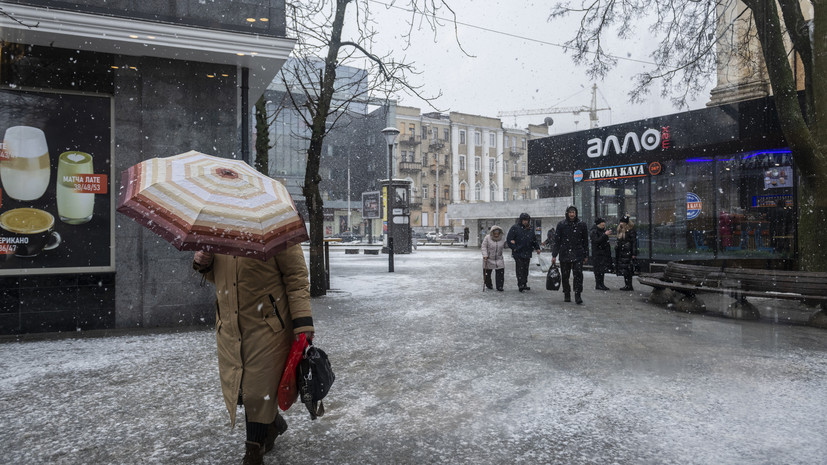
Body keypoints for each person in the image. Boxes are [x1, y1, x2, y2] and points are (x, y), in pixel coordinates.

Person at [193, 245, 315, 465]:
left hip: (268, 327)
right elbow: (222, 277)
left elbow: (296, 276)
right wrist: (205, 263)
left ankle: (253, 453)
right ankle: (271, 424)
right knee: (240, 387)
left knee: (257, 391)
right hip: (231, 326)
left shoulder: (276, 225)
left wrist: (302, 322)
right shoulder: (219, 229)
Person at [551, 206, 589, 304]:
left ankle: (578, 294)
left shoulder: (581, 225)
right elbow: (557, 241)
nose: (572, 214)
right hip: (565, 253)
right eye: (570, 212)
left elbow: (585, 241)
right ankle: (567, 293)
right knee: (565, 275)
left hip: (578, 253)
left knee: (578, 275)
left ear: (576, 213)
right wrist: (554, 255)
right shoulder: (561, 225)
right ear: (567, 213)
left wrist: (586, 255)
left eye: (573, 212)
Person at [506, 212, 541, 292]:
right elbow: (509, 239)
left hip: (527, 252)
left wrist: (537, 248)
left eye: (527, 220)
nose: (525, 222)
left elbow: (534, 240)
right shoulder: (515, 228)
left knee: (525, 269)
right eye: (524, 220)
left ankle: (524, 283)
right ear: (521, 220)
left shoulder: (530, 229)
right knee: (520, 269)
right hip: (518, 252)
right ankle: (520, 284)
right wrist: (514, 248)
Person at [615, 215, 638, 291]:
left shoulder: (630, 230)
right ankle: (627, 285)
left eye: (622, 222)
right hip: (623, 252)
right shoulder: (621, 230)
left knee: (628, 269)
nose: (621, 223)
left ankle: (629, 285)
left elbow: (634, 242)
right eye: (620, 222)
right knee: (625, 269)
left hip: (627, 252)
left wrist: (634, 253)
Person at [589, 218, 612, 291]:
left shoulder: (602, 231)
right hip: (597, 254)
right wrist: (605, 235)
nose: (604, 224)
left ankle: (601, 284)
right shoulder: (594, 231)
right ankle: (598, 284)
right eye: (602, 223)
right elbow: (596, 241)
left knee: (602, 270)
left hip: (603, 254)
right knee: (598, 270)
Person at [481, 225, 506, 291]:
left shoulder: (502, 238)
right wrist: (485, 255)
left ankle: (499, 286)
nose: (496, 235)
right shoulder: (487, 238)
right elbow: (484, 247)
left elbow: (506, 245)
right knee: (487, 274)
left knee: (500, 273)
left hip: (499, 258)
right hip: (488, 258)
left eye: (498, 234)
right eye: (495, 234)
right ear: (492, 233)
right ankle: (488, 285)